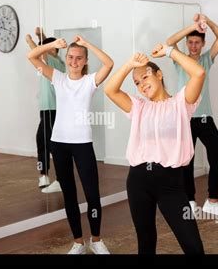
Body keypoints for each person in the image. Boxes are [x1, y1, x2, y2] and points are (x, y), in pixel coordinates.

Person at [104, 42, 205, 254]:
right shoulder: (139, 107)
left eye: (146, 77)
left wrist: (170, 52)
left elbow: (198, 72)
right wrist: (129, 64)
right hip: (139, 181)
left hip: (171, 184)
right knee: (146, 242)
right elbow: (110, 90)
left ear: (159, 75)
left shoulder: (181, 103)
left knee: (193, 247)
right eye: (137, 82)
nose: (141, 84)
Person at [27, 35, 113, 254]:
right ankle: (78, 242)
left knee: (92, 194)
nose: (74, 61)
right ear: (66, 58)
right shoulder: (58, 78)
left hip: (82, 143)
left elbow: (109, 64)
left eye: (79, 58)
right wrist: (52, 46)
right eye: (71, 57)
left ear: (85, 61)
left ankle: (96, 239)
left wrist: (88, 44)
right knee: (69, 195)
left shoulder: (90, 81)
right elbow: (32, 56)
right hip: (59, 144)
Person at [166, 13, 218, 218]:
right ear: (187, 43)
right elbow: (169, 43)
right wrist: (192, 26)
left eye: (197, 42)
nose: (193, 45)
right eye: (190, 42)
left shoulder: (206, 60)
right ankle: (190, 202)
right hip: (183, 117)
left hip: (204, 117)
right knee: (187, 161)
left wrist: (208, 23)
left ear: (203, 44)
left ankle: (213, 200)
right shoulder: (180, 59)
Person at [25, 27, 65, 193]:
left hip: (51, 108)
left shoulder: (52, 61)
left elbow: (38, 51)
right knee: (45, 141)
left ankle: (58, 179)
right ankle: (46, 175)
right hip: (49, 109)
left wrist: (29, 40)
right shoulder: (56, 61)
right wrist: (42, 36)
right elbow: (46, 48)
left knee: (49, 143)